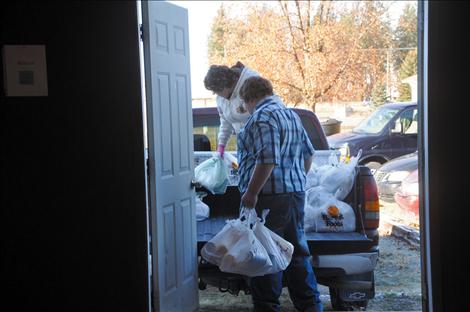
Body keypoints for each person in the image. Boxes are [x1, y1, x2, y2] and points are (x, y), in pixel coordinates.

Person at [237, 76, 323, 312]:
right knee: (296, 253)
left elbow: (267, 159)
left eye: (245, 103)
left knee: (266, 255)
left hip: (268, 198)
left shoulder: (263, 117)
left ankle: (267, 307)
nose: (246, 108)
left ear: (250, 98)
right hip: (294, 195)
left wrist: (251, 193)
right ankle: (311, 306)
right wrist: (294, 179)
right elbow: (308, 154)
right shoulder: (290, 115)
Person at [203, 61, 259, 158]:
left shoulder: (251, 84)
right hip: (244, 144)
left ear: (225, 85)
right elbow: (225, 120)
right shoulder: (221, 99)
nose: (216, 94)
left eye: (217, 91)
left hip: (261, 142)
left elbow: (264, 114)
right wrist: (221, 145)